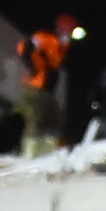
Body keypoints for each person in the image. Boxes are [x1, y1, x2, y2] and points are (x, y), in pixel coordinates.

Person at [15, 14, 76, 155]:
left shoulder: (60, 44)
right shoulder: (45, 38)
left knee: (53, 118)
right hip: (37, 87)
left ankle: (47, 150)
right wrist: (33, 68)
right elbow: (24, 47)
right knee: (38, 119)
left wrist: (65, 44)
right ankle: (30, 152)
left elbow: (57, 62)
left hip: (46, 90)